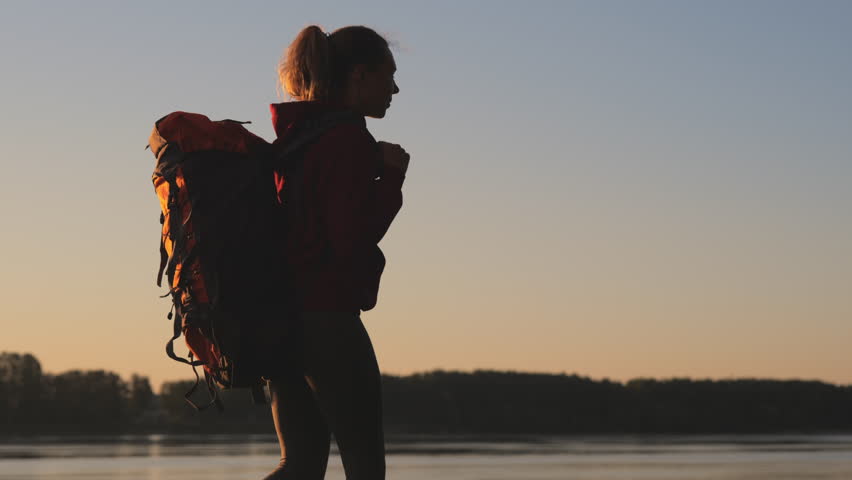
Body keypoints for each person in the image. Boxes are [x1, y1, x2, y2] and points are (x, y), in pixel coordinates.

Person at [263, 25, 409, 480]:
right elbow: (350, 241)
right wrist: (390, 181)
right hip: (328, 323)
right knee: (366, 468)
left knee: (299, 466)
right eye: (390, 76)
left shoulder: (293, 140)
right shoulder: (347, 142)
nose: (395, 89)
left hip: (280, 321)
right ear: (360, 76)